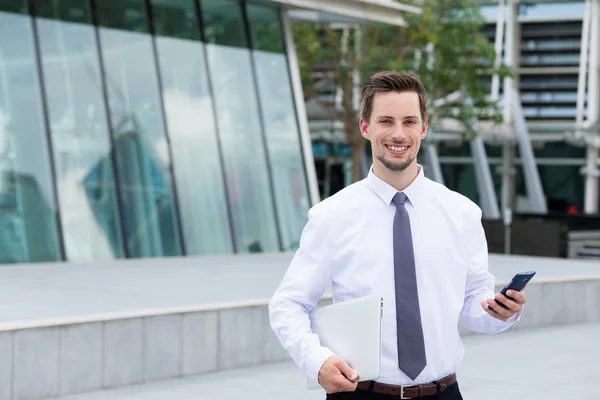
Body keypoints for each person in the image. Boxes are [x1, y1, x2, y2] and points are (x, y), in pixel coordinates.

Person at [268, 71, 527, 399]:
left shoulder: (462, 213)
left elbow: (473, 303)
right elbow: (287, 303)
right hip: (360, 392)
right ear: (365, 127)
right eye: (386, 121)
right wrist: (317, 361)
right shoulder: (331, 216)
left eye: (409, 121)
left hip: (444, 392)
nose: (398, 134)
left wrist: (500, 311)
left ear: (424, 127)